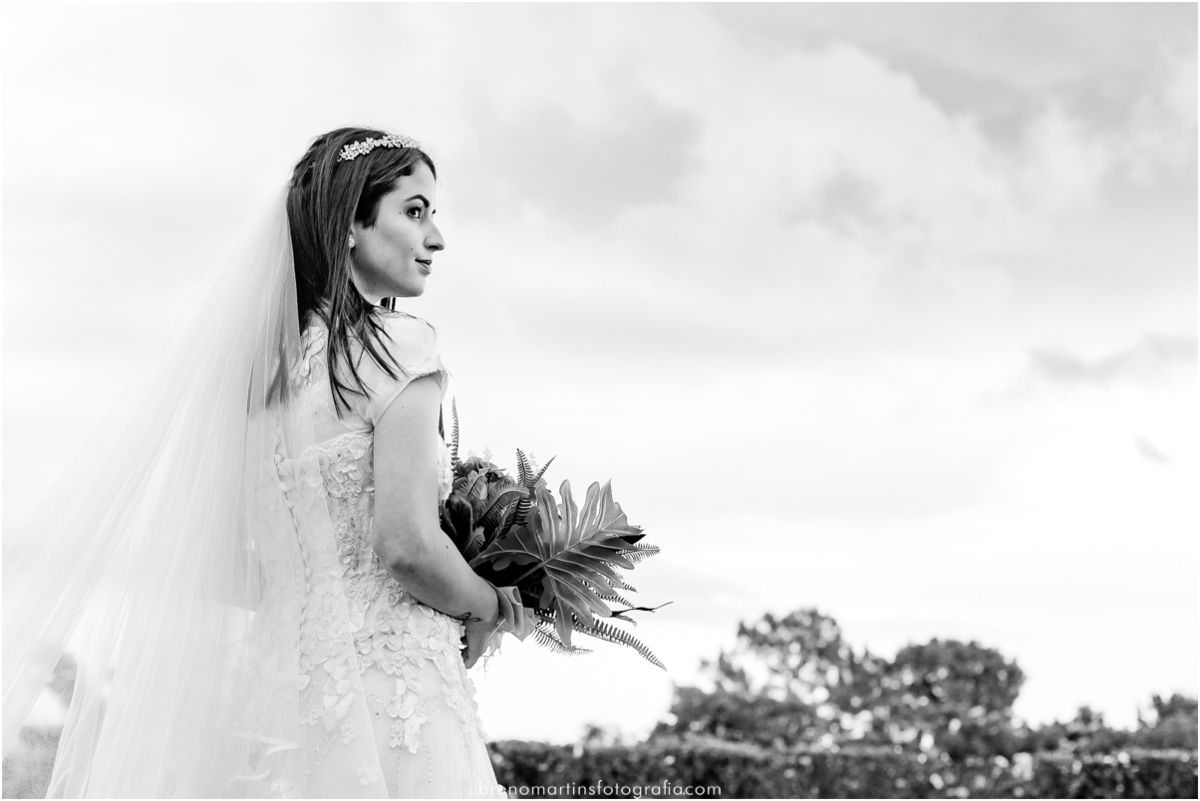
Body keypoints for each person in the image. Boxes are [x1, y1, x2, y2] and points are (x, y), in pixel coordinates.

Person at [3, 127, 526, 797]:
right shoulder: (403, 345)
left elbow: (224, 565)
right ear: (350, 226)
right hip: (396, 696)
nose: (437, 237)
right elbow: (408, 548)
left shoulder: (260, 382)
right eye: (414, 210)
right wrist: (488, 603)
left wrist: (314, 596)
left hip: (279, 700)